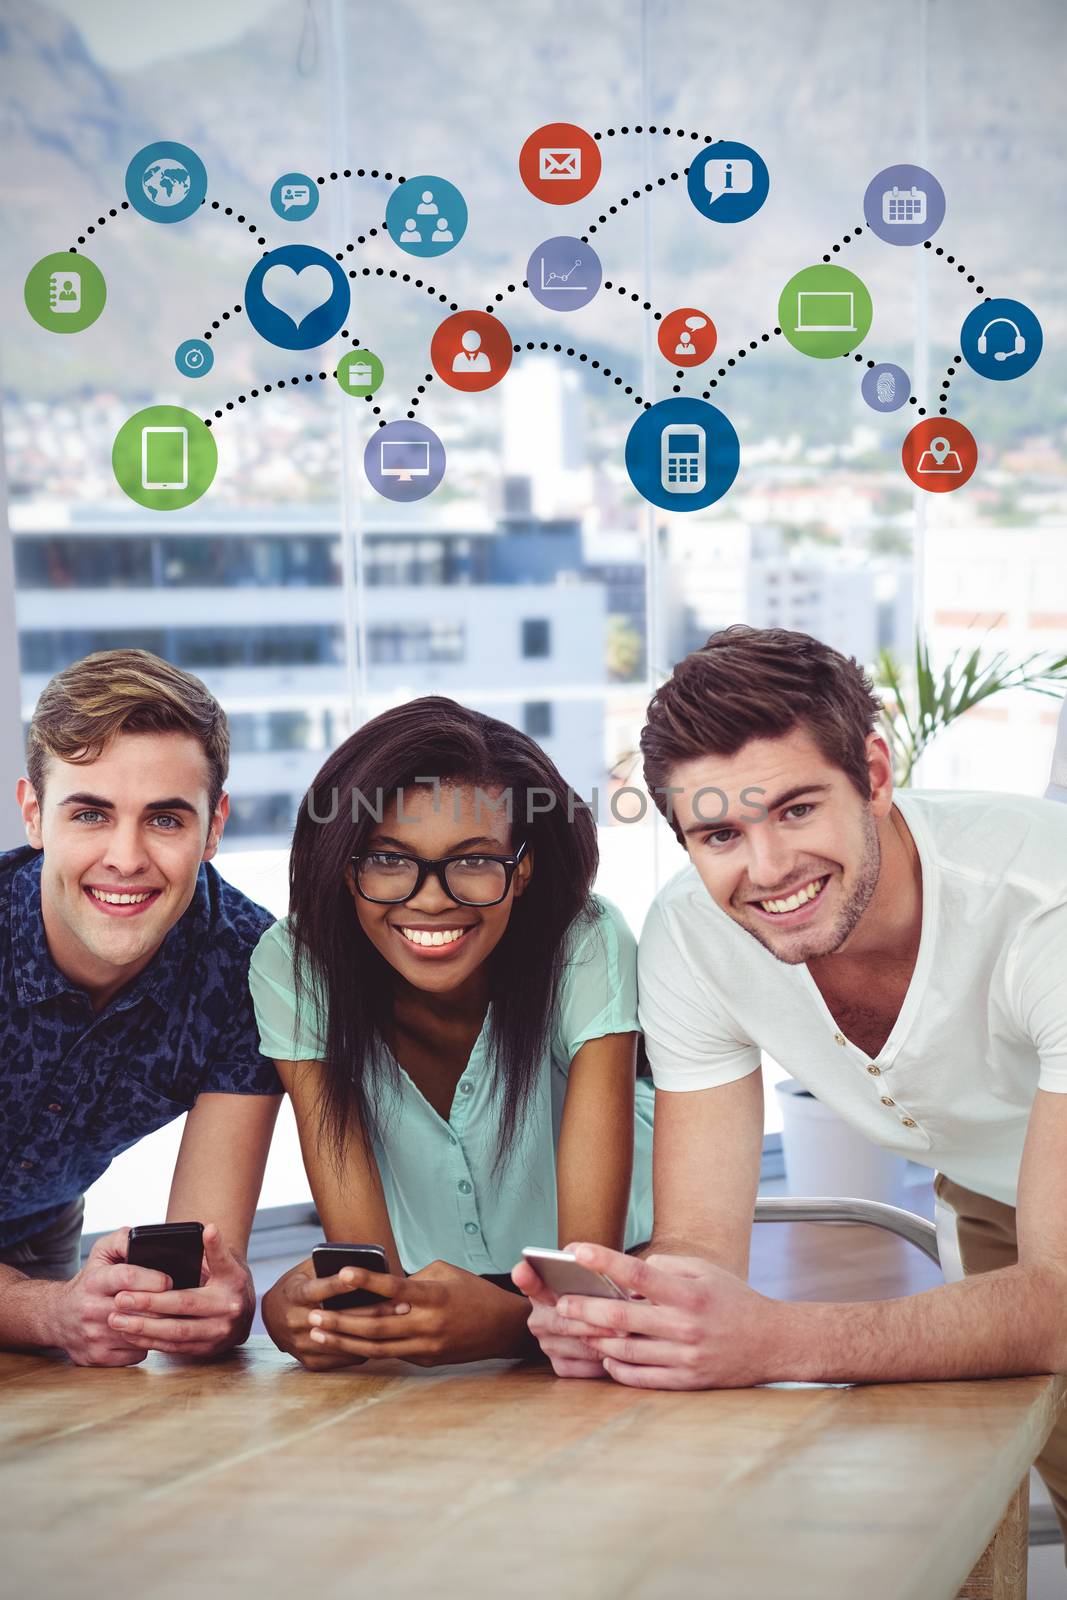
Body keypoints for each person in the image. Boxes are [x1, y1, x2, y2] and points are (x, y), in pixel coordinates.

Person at [520, 625, 1067, 1539]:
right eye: (720, 832)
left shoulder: (1040, 903)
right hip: (999, 1185)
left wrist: (778, 1341)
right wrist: (643, 1318)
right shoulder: (693, 937)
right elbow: (698, 1236)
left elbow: (1054, 1303)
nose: (767, 870)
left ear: (876, 775)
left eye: (796, 809)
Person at [254, 697, 652, 1370]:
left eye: (473, 862)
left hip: (630, 1273)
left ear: (520, 870)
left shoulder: (586, 942)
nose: (431, 899)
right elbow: (370, 1278)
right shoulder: (295, 966)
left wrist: (510, 1327)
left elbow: (589, 1284)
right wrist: (290, 1310)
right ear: (345, 868)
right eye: (387, 859)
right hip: (453, 1296)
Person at [0, 650, 282, 1365]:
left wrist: (211, 1303)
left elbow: (207, 1244)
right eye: (90, 813)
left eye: (164, 819)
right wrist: (47, 1311)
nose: (125, 858)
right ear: (34, 814)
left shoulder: (253, 969)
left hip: (37, 1234)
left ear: (213, 827)